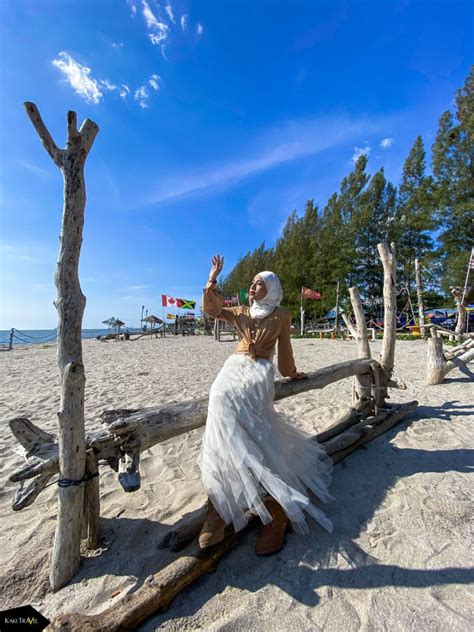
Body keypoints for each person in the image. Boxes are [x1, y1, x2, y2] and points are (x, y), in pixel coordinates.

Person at [197, 254, 334, 555]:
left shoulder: (282, 314)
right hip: (233, 366)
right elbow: (211, 309)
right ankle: (219, 507)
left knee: (253, 427)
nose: (253, 285)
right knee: (218, 398)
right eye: (252, 282)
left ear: (271, 289)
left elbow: (285, 352)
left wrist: (292, 373)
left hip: (259, 371)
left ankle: (276, 513)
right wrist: (212, 278)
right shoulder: (241, 311)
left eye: (259, 283)